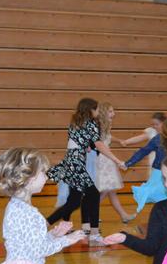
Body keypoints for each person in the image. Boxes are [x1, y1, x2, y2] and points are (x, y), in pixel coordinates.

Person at [45, 98, 126, 244]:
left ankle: (47, 224)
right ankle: (94, 234)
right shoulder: (90, 124)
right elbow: (99, 145)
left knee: (75, 201)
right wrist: (117, 160)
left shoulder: (77, 122)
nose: (97, 112)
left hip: (72, 161)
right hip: (76, 163)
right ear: (90, 110)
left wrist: (89, 146)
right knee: (92, 195)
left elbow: (84, 143)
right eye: (96, 109)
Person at [95, 102, 136, 224]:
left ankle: (123, 215)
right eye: (111, 111)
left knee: (111, 190)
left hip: (106, 158)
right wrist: (116, 160)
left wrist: (119, 140)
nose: (114, 113)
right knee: (106, 189)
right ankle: (90, 212)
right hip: (102, 160)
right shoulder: (98, 126)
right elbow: (100, 145)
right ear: (103, 112)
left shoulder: (105, 125)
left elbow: (107, 136)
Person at [120, 112, 167, 178]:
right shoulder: (153, 133)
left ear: (164, 123)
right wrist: (126, 141)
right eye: (152, 124)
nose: (154, 126)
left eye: (157, 124)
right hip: (156, 162)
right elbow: (141, 143)